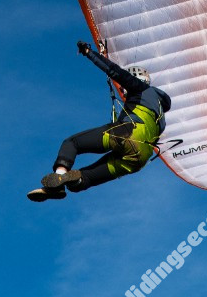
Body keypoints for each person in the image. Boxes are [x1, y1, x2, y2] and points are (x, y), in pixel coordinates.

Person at [27, 40, 172, 201]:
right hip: (140, 158)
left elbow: (114, 71)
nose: (123, 92)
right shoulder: (161, 116)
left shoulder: (140, 88)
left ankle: (59, 178)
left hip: (127, 134)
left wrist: (89, 53)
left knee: (72, 143)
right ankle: (74, 181)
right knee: (86, 179)